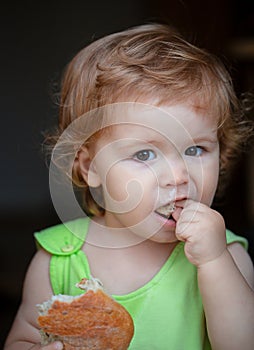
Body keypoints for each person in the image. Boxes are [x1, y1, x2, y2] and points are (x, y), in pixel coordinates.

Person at [4, 23, 254, 350]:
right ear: (91, 167)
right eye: (144, 154)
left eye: (196, 150)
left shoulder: (227, 255)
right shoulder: (58, 260)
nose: (178, 176)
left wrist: (214, 262)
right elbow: (22, 340)